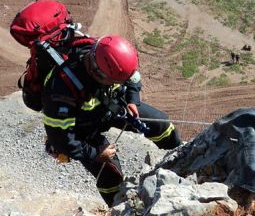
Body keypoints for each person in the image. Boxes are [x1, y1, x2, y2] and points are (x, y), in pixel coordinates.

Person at [42, 35, 181, 206]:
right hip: (81, 129)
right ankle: (118, 209)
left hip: (108, 108)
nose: (120, 82)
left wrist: (132, 100)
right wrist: (96, 154)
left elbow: (133, 78)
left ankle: (180, 160)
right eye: (116, 81)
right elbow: (62, 139)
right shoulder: (61, 92)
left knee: (161, 124)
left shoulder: (112, 62)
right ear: (97, 73)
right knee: (110, 174)